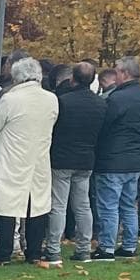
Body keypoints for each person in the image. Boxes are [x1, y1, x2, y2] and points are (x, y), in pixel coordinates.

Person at [0, 56, 57, 264]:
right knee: (37, 206)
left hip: (11, 158)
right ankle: (34, 252)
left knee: (6, 206)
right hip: (39, 158)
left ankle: (3, 252)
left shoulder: (10, 99)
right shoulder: (51, 99)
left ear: (17, 77)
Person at [43, 62, 107, 267]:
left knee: (59, 205)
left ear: (72, 79)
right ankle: (84, 248)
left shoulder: (63, 101)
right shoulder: (100, 104)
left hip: (62, 158)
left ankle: (53, 249)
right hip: (87, 158)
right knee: (83, 206)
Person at [90, 57, 140, 260]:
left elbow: (103, 127)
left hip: (112, 160)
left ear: (125, 74)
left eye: (117, 71)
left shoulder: (116, 99)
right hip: (134, 159)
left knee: (108, 205)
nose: (114, 74)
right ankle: (129, 245)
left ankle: (107, 246)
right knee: (128, 205)